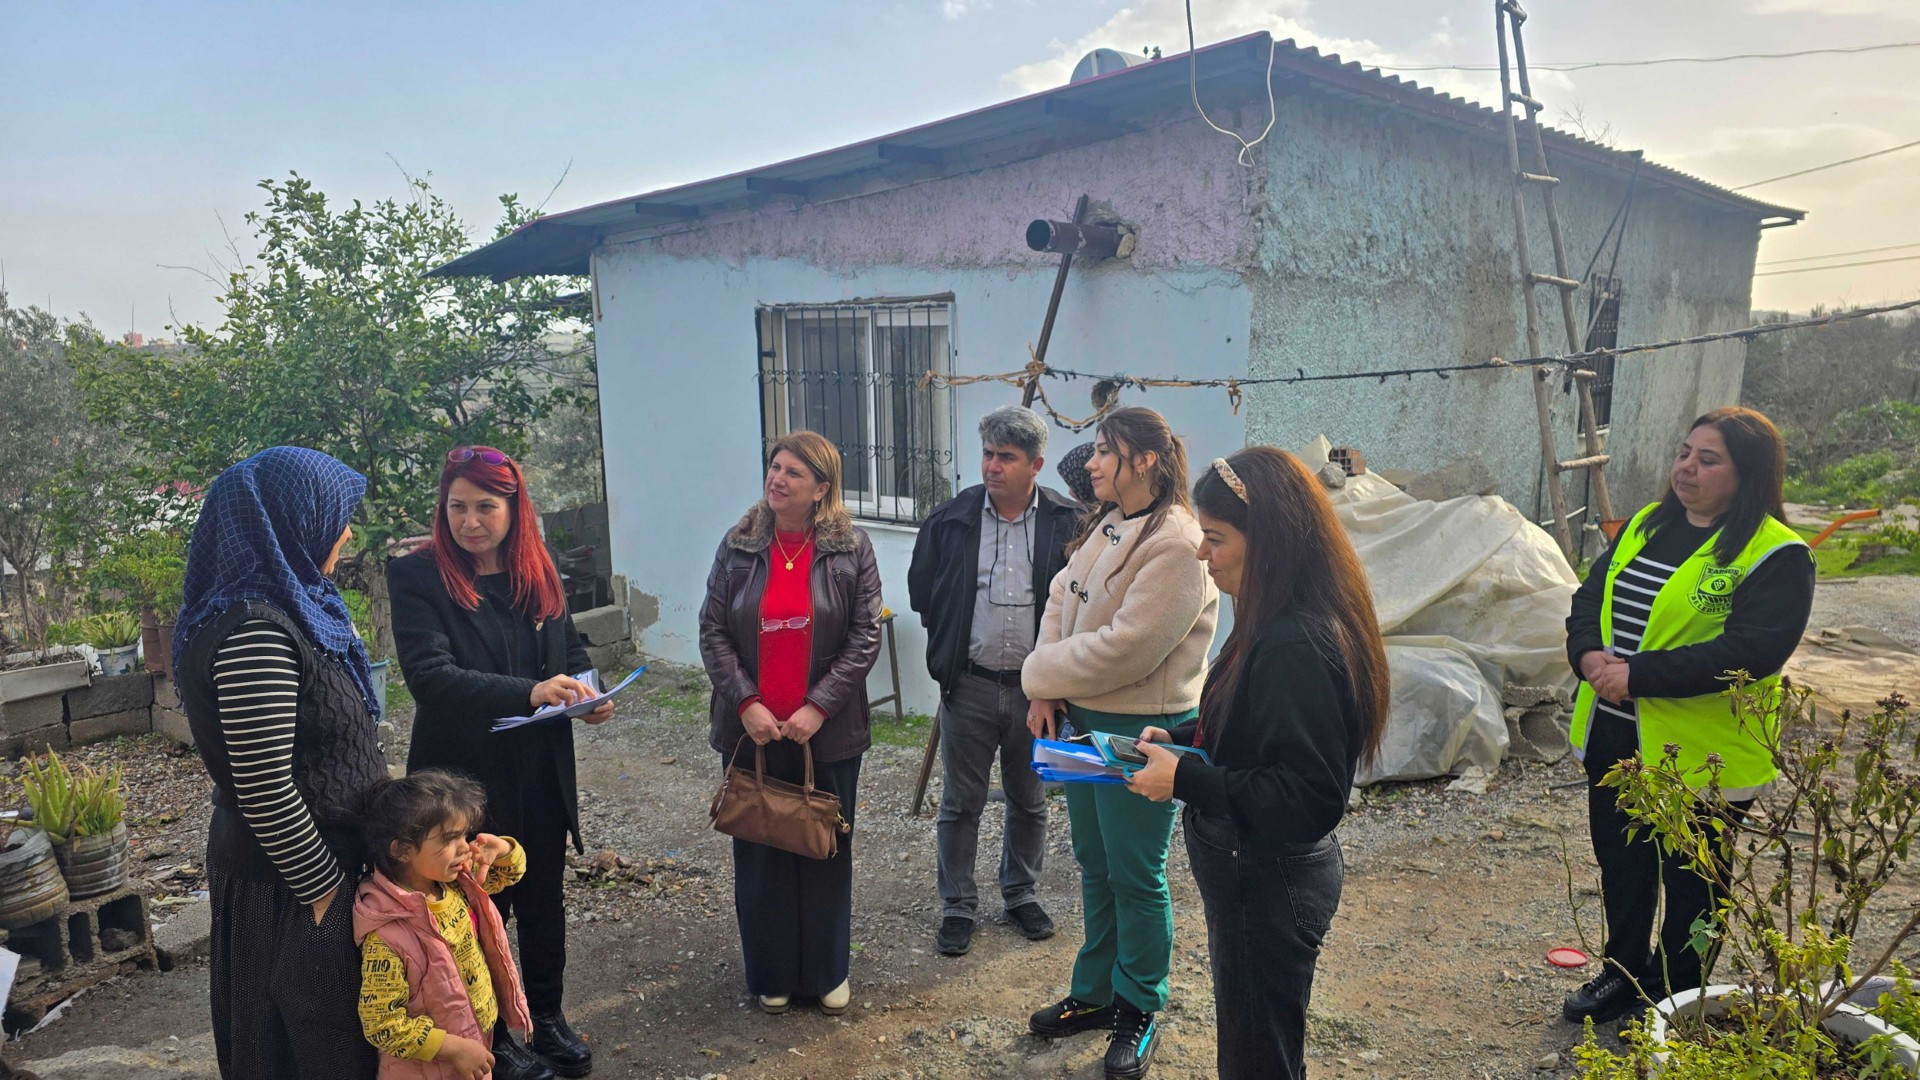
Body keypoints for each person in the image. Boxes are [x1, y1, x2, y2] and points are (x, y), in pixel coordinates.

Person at [1126, 448, 1391, 1080]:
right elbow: (1258, 720)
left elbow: (1308, 795)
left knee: (1257, 1057)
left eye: (1215, 539)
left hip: (1268, 883)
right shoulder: (1272, 616)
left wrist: (1184, 777)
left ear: (1269, 541)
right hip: (1257, 879)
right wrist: (1184, 736)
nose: (1202, 554)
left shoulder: (1295, 641)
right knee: (1257, 1042)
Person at [1561, 406, 1814, 1024]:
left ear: (1747, 473)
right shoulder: (1645, 525)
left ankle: (1676, 996)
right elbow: (1591, 597)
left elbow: (1752, 651)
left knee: (1694, 884)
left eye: (1708, 459)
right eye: (1684, 453)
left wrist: (1638, 676)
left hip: (1702, 755)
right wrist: (1588, 654)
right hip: (1614, 736)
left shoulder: (1776, 554)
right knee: (1622, 865)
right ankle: (1623, 972)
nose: (1686, 468)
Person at [388, 446, 611, 1080]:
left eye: (485, 507)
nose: (470, 522)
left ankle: (547, 1017)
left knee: (543, 900)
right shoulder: (418, 576)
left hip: (539, 769)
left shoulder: (537, 569)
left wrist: (590, 694)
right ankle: (491, 1036)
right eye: (457, 507)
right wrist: (531, 692)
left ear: (515, 509)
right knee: (473, 912)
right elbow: (431, 678)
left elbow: (570, 651)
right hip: (462, 780)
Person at [173, 446, 388, 1080]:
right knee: (308, 1053)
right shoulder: (255, 633)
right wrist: (327, 898)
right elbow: (265, 787)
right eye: (337, 518)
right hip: (289, 890)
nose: (346, 533)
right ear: (293, 521)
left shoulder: (291, 606)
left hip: (314, 878)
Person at [1020, 406, 1219, 1080]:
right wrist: (1047, 686)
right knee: (1095, 861)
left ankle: (1139, 1005)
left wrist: (1040, 674)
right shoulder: (1111, 522)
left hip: (1140, 728)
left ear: (1145, 460)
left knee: (1135, 872)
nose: (1092, 463)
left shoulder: (1177, 542)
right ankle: (1096, 992)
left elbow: (1128, 648)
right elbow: (1060, 597)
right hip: (1082, 716)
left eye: (1105, 451)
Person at [698, 430, 883, 1016]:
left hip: (826, 733)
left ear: (821, 488)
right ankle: (772, 974)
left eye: (793, 472)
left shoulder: (851, 548)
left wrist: (819, 706)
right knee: (762, 854)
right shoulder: (738, 544)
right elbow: (713, 631)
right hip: (752, 730)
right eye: (775, 467)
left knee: (824, 848)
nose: (777, 479)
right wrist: (745, 702)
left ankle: (827, 974)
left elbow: (865, 635)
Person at [907, 406, 1081, 957]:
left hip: (1040, 694)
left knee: (1029, 799)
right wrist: (950, 654)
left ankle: (1020, 893)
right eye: (988, 454)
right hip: (970, 686)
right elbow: (923, 593)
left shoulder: (1067, 522)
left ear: (1036, 464)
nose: (992, 466)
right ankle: (957, 905)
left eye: (1006, 457)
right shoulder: (951, 519)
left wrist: (1056, 680)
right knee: (962, 801)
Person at [355, 770, 531, 1080]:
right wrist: (453, 1048)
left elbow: (510, 873)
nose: (465, 847)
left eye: (465, 835)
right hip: (428, 1066)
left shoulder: (455, 885)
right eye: (450, 839)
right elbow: (382, 1024)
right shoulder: (386, 934)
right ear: (402, 850)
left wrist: (502, 850)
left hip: (472, 1040)